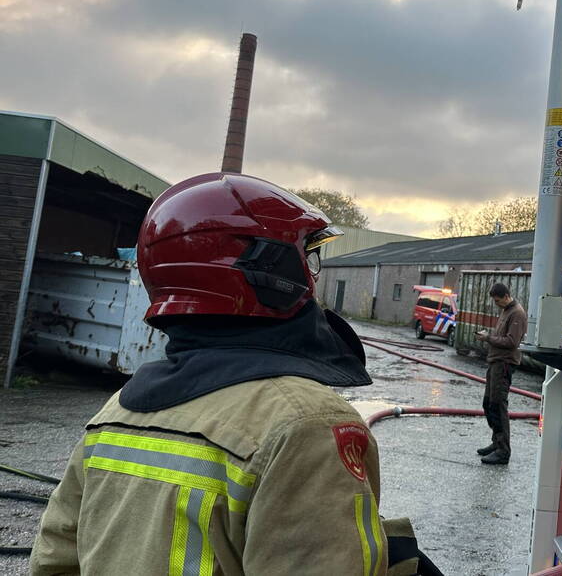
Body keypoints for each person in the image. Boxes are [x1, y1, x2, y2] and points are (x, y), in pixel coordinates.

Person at [31, 173, 434, 576]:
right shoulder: (307, 425)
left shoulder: (113, 414)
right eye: (306, 257)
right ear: (269, 268)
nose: (312, 274)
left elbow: (54, 561)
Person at [473, 283, 526, 465]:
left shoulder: (517, 313)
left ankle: (503, 451)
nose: (496, 305)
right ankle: (497, 443)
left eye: (497, 301)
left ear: (506, 296)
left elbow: (511, 342)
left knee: (498, 405)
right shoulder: (506, 310)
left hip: (504, 364)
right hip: (495, 362)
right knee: (488, 404)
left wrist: (488, 338)